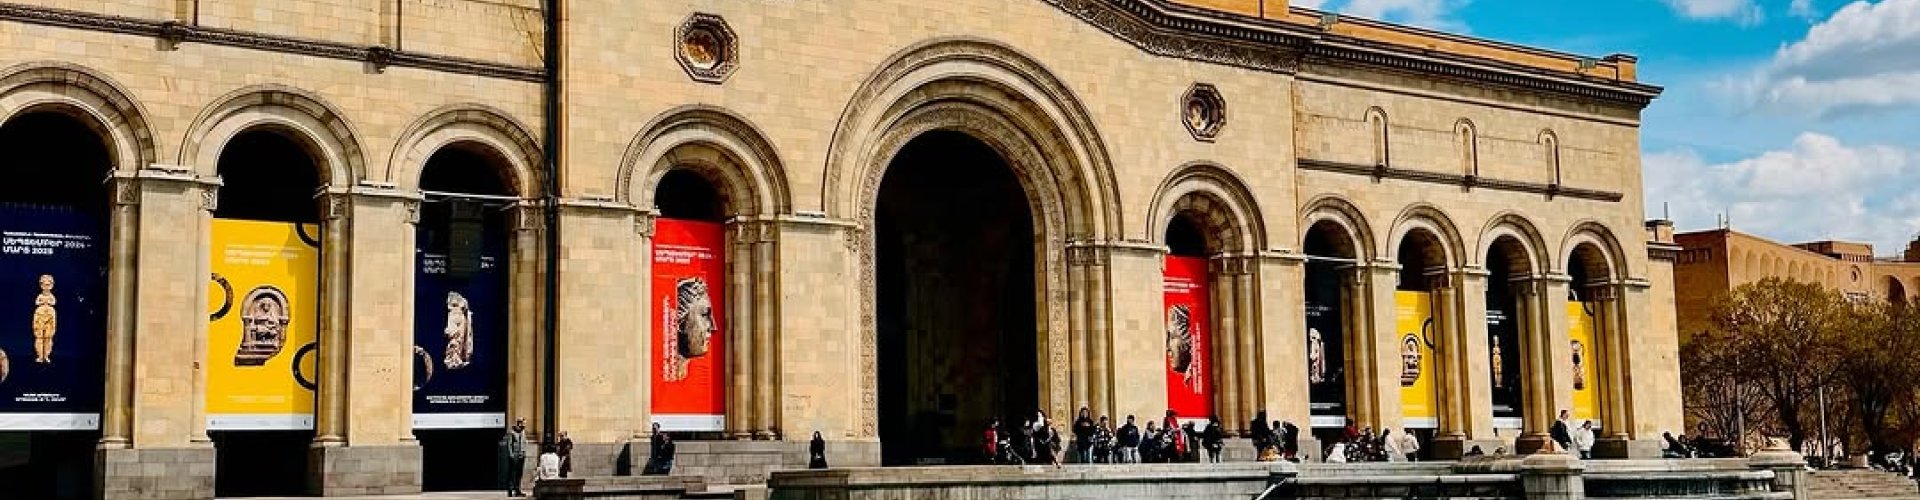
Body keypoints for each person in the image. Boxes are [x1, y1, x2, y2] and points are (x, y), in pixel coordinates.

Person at [498, 419, 529, 497]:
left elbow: (524, 443)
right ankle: (510, 489)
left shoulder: (523, 432)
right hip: (514, 455)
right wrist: (511, 454)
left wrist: (524, 452)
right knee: (512, 473)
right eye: (523, 424)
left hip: (521, 455)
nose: (524, 426)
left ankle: (518, 490)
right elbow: (509, 444)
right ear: (519, 424)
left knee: (519, 473)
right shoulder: (512, 433)